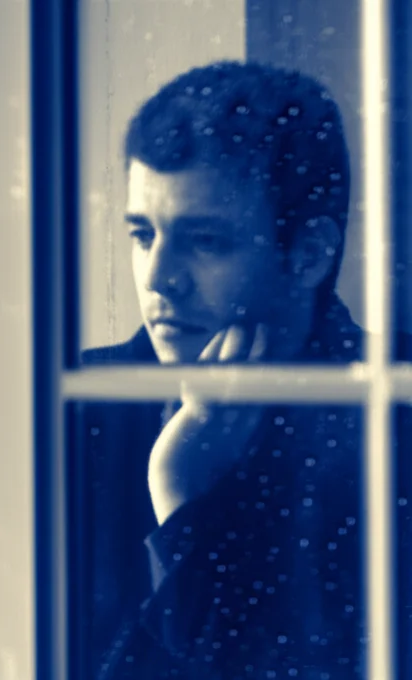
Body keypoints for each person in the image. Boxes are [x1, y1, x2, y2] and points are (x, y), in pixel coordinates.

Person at [80, 60, 411, 679]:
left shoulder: (396, 413)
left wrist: (179, 490)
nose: (157, 278)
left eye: (204, 241)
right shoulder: (74, 404)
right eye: (143, 234)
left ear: (309, 252)